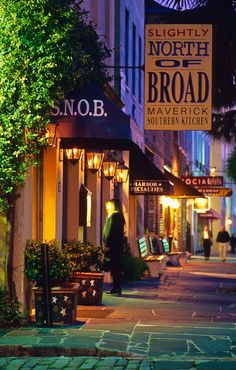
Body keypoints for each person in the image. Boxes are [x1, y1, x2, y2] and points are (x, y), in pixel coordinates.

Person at [103, 198, 125, 296]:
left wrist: (108, 245)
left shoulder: (115, 216)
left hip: (113, 246)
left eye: (108, 205)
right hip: (117, 246)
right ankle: (116, 287)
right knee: (116, 267)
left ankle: (116, 287)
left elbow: (111, 232)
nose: (106, 207)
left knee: (115, 267)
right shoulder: (118, 216)